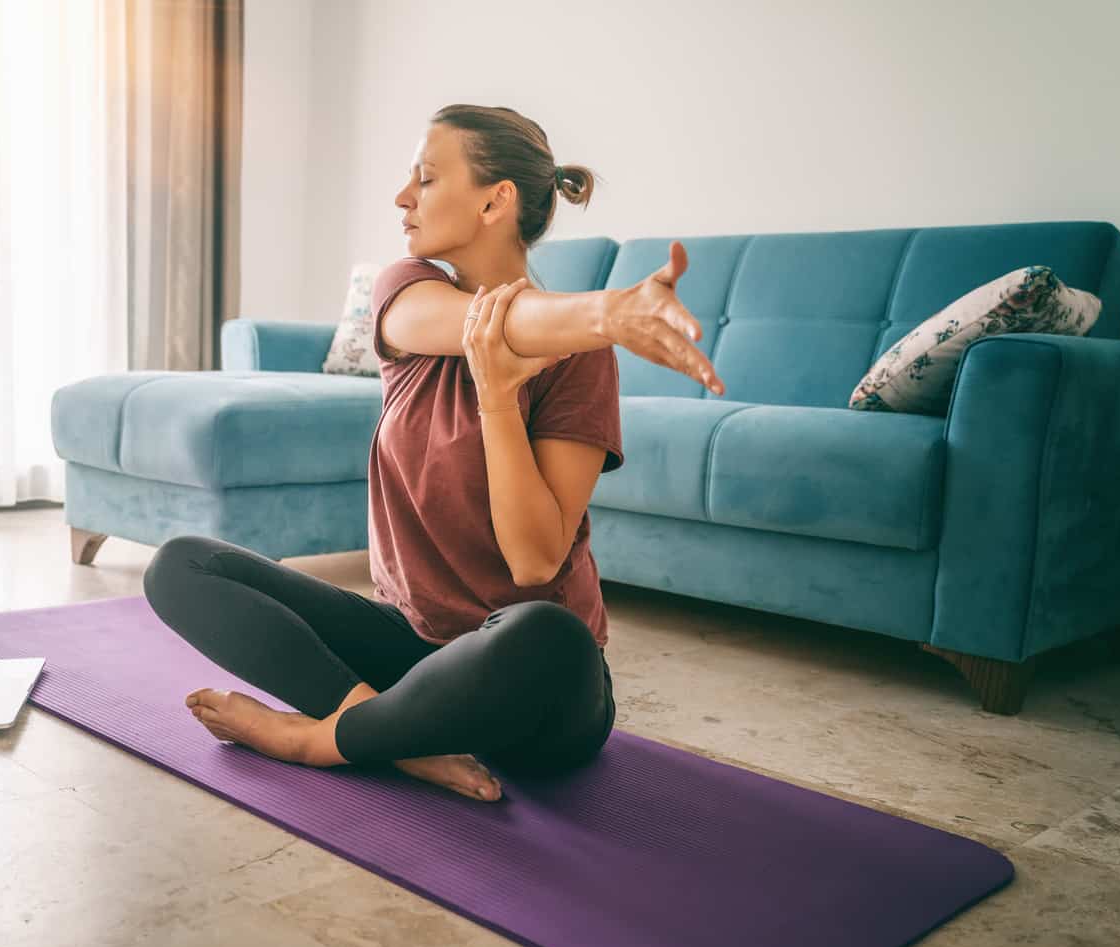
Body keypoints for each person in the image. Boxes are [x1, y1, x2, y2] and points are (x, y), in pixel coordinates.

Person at [143, 104, 723, 803]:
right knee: (182, 565)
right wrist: (606, 313)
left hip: (526, 684)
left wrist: (501, 400)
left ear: (494, 200)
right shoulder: (406, 290)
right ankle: (384, 730)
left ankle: (317, 740)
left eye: (424, 178)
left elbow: (535, 560)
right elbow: (490, 323)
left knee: (548, 635)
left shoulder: (580, 363)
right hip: (410, 647)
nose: (402, 198)